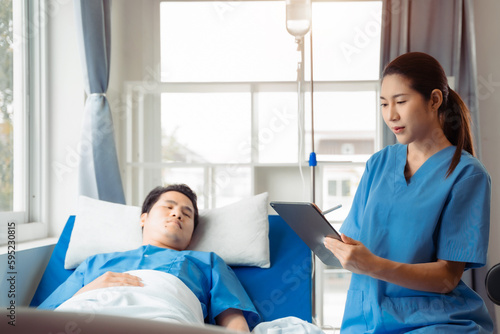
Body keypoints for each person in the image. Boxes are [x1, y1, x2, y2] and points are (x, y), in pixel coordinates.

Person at [324, 52, 494, 333]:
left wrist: (374, 265)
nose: (391, 115)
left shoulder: (467, 174)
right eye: (383, 104)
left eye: (401, 101)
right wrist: (327, 238)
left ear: (435, 100)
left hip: (434, 321)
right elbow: (355, 251)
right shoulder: (378, 164)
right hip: (366, 319)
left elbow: (447, 278)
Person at [38, 184, 259, 332]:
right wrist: (90, 289)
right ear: (143, 218)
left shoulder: (208, 262)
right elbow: (42, 317)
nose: (177, 214)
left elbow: (232, 320)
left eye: (187, 213)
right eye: (168, 207)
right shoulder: (95, 263)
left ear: (192, 235)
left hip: (164, 316)